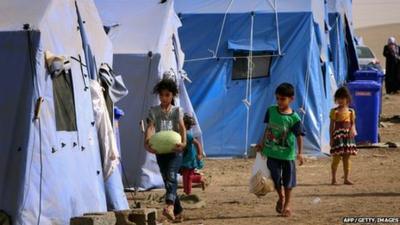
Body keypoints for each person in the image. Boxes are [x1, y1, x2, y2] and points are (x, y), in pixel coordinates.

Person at [256, 83, 305, 217]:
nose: (279, 102)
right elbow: (268, 128)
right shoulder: (271, 110)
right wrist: (261, 143)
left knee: (288, 181)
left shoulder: (294, 118)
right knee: (276, 180)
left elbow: (299, 136)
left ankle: (287, 206)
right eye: (277, 98)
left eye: (282, 99)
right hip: (271, 153)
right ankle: (281, 196)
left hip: (287, 155)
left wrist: (300, 153)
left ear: (291, 99)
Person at [144, 78, 186, 222]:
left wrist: (184, 143)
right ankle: (179, 212)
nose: (164, 98)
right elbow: (150, 127)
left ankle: (169, 206)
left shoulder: (177, 111)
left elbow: (182, 128)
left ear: (172, 95)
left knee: (171, 176)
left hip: (175, 150)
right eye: (161, 95)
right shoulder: (154, 111)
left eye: (167, 95)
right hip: (161, 151)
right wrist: (147, 143)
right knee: (168, 181)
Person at [330, 86, 358, 185]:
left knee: (347, 158)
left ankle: (346, 178)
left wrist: (353, 130)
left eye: (343, 98)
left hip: (348, 137)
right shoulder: (334, 111)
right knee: (336, 158)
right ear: (336, 99)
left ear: (347, 99)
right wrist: (331, 138)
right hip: (338, 137)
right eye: (339, 98)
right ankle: (333, 179)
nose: (341, 100)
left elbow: (353, 123)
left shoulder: (351, 111)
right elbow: (331, 125)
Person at [180, 113, 206, 195]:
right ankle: (199, 178)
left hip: (190, 159)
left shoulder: (188, 136)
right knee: (185, 176)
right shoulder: (177, 134)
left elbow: (197, 143)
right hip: (183, 159)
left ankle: (188, 194)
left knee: (188, 177)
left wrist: (199, 154)